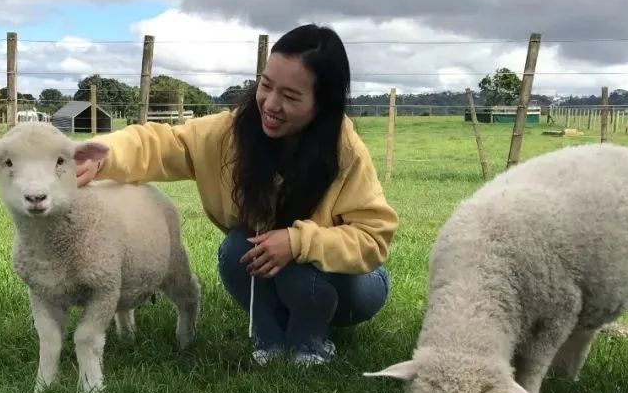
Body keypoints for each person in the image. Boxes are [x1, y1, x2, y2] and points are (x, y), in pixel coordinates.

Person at [74, 23, 398, 366]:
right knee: (236, 250)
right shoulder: (231, 134)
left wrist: (298, 242)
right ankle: (270, 340)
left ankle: (311, 343)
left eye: (290, 96)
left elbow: (373, 238)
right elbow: (163, 143)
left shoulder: (344, 152)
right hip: (280, 271)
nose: (270, 104)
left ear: (322, 105)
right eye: (266, 85)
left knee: (300, 267)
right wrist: (101, 156)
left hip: (353, 284)